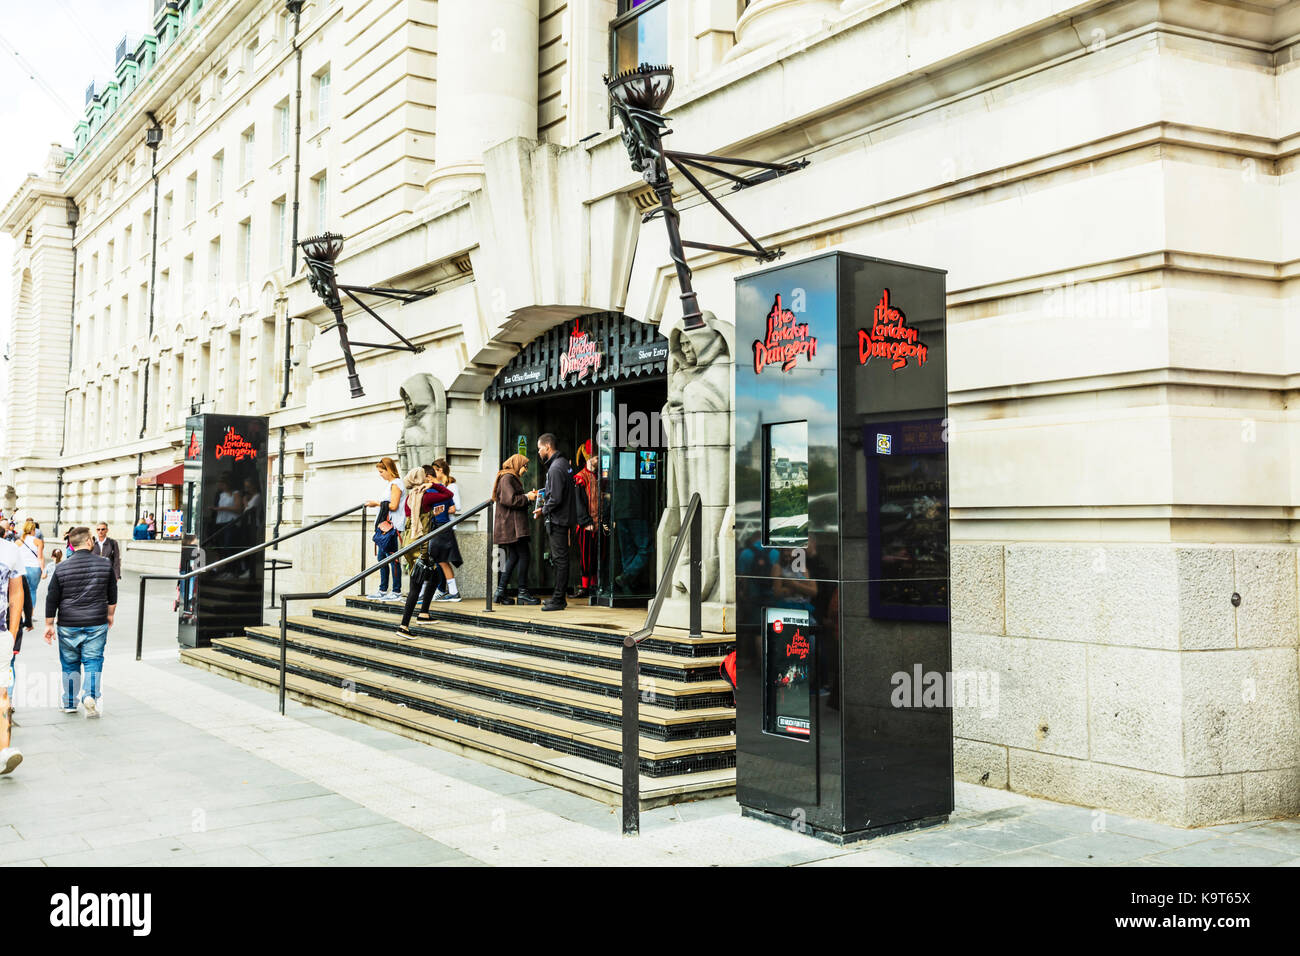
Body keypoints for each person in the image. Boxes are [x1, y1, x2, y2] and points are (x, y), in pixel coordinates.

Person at [44, 526, 117, 718]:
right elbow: (112, 593)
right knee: (93, 660)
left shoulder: (61, 568)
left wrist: (49, 624)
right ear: (88, 541)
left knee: (69, 663)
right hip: (96, 621)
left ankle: (70, 703)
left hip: (68, 623)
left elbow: (52, 598)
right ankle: (90, 695)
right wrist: (110, 615)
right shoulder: (104, 564)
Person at [395, 471, 455, 635]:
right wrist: (433, 485)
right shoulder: (425, 497)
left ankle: (424, 613)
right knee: (416, 585)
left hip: (409, 542)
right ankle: (403, 626)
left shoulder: (410, 497)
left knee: (434, 577)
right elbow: (448, 494)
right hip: (420, 546)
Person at [535, 433, 575, 612]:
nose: (539, 452)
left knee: (560, 560)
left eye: (540, 448)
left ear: (548, 447)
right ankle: (558, 597)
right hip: (563, 518)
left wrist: (543, 510)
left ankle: (559, 600)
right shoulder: (564, 464)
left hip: (558, 520)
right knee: (560, 559)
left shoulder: (556, 468)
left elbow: (556, 498)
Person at [492, 454, 538, 606]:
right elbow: (510, 500)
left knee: (514, 557)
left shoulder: (508, 477)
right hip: (513, 526)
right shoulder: (507, 478)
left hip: (512, 525)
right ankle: (522, 593)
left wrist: (528, 497)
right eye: (524, 466)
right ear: (517, 464)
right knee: (524, 555)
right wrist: (527, 497)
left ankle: (500, 592)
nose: (525, 470)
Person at [0, 533, 25, 773]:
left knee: (2, 693)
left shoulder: (10, 550)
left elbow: (17, 592)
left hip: (1, 635)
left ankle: (3, 753)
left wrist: (12, 631)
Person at [364, 457, 405, 601]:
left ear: (388, 470)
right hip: (386, 527)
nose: (380, 475)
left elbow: (393, 505)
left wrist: (376, 503)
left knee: (392, 559)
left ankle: (396, 591)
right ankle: (383, 589)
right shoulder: (391, 484)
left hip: (392, 527)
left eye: (381, 471)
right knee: (382, 558)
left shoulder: (396, 484)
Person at [425, 460, 463, 603]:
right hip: (440, 526)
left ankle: (445, 591)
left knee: (440, 560)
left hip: (444, 526)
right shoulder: (440, 488)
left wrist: (439, 508)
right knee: (440, 560)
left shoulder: (449, 487)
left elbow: (455, 507)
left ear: (440, 470)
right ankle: (444, 590)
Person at [572, 443, 601, 599]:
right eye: (596, 457)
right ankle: (585, 586)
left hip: (598, 523)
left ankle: (594, 585)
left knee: (596, 556)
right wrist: (585, 521)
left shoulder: (599, 475)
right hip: (587, 525)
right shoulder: (580, 477)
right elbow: (579, 503)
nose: (598, 459)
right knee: (586, 557)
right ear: (589, 458)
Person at [18, 518, 44, 605]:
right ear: (33, 530)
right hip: (35, 568)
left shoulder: (18, 542)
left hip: (22, 568)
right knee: (32, 591)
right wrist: (43, 571)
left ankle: (22, 611)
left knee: (21, 591)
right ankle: (30, 612)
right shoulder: (38, 542)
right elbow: (40, 557)